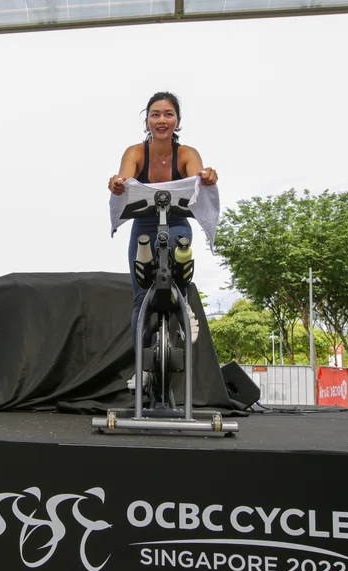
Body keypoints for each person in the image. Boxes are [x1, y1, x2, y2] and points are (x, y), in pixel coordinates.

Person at [107, 92, 219, 383]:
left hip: (178, 220)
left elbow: (197, 180)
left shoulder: (186, 154)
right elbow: (123, 180)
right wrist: (116, 185)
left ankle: (183, 302)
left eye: (168, 114)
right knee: (140, 298)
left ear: (177, 121)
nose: (161, 120)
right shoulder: (135, 153)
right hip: (144, 223)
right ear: (146, 120)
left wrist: (207, 177)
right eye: (155, 114)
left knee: (180, 251)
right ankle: (141, 367)